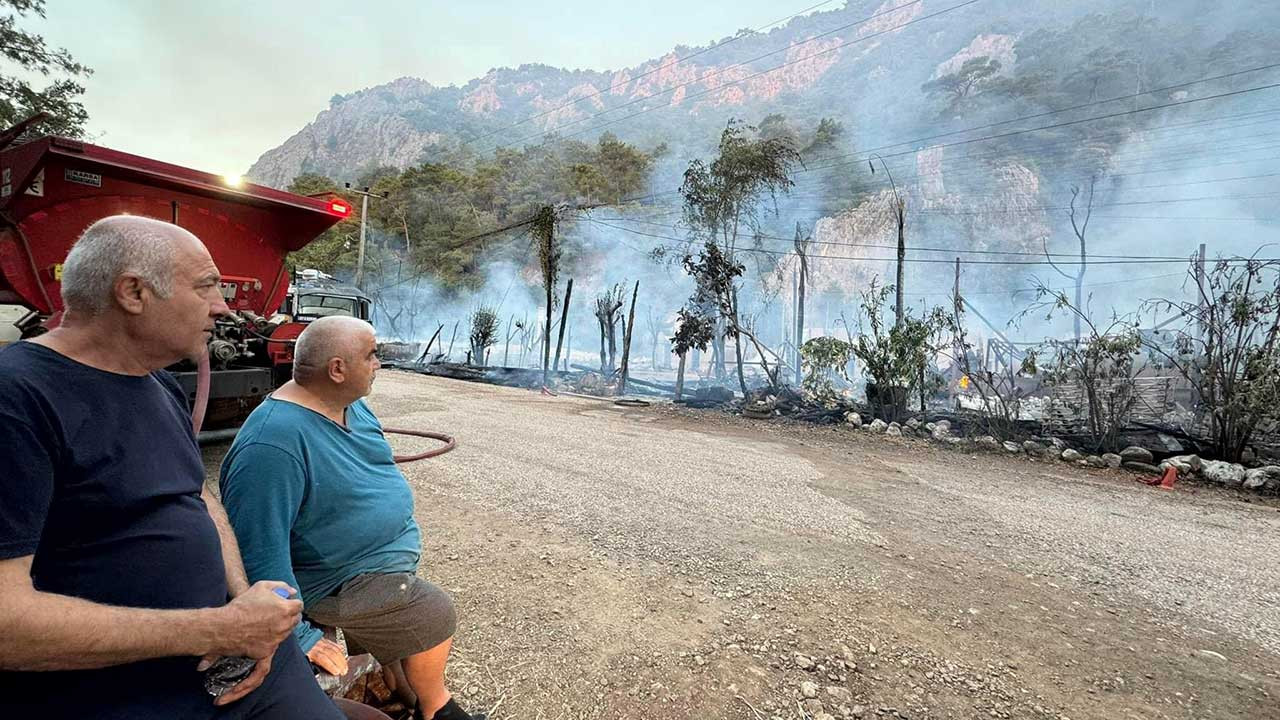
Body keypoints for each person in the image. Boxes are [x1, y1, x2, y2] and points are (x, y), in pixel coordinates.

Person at [0, 215, 345, 720]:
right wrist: (216, 628)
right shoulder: (18, 399)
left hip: (227, 657)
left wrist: (243, 602)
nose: (223, 306)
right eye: (207, 286)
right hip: (119, 691)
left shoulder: (155, 383)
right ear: (133, 293)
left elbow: (197, 495)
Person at [220, 316, 482, 720]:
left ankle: (398, 685)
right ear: (337, 369)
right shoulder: (272, 445)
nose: (379, 364)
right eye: (372, 355)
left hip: (369, 568)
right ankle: (436, 708)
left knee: (393, 623)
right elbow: (256, 552)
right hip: (333, 582)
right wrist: (299, 635)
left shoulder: (351, 407)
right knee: (432, 611)